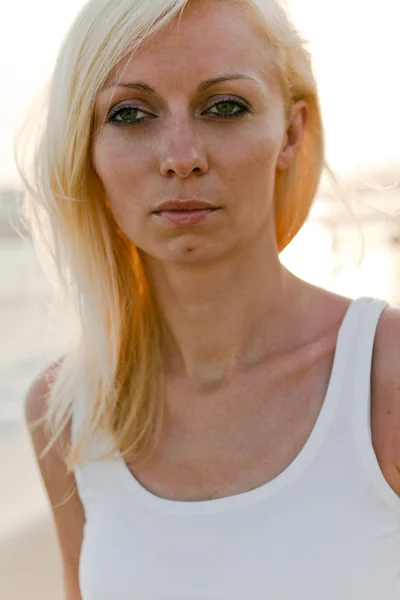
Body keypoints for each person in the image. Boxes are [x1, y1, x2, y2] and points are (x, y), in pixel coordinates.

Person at [20, 0, 400, 598]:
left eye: (225, 106)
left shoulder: (387, 374)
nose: (181, 158)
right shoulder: (67, 412)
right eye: (130, 113)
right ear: (86, 150)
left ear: (291, 133)